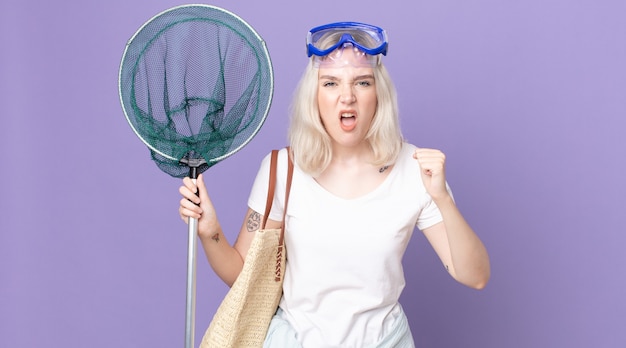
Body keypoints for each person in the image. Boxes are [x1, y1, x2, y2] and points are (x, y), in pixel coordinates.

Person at [178, 21, 490, 348]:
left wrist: (441, 197)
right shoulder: (282, 170)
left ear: (379, 93)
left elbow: (475, 275)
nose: (347, 98)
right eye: (330, 83)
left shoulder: (414, 171)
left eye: (362, 82)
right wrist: (209, 232)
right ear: (314, 95)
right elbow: (243, 278)